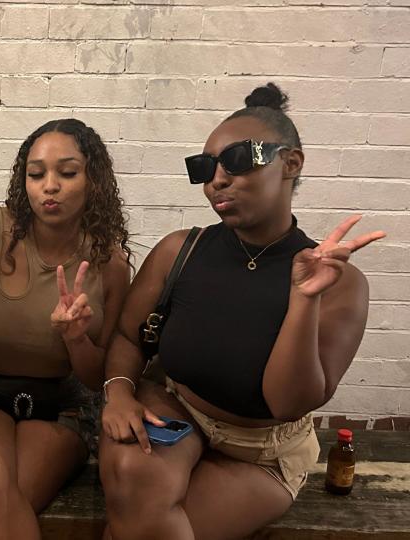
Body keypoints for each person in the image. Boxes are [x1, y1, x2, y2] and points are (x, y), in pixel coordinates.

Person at [98, 83, 386, 540]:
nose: (217, 179)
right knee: (135, 483)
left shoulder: (339, 284)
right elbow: (129, 339)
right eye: (204, 167)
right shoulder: (180, 250)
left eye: (237, 159)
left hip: (264, 454)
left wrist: (304, 299)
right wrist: (117, 392)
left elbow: (288, 402)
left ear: (290, 163)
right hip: (178, 411)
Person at [0, 118, 132, 540]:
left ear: (93, 182)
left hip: (64, 404)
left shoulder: (110, 264)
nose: (49, 186)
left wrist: (76, 338)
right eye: (36, 174)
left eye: (67, 173)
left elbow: (99, 377)